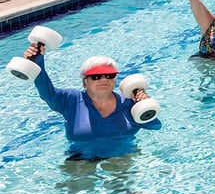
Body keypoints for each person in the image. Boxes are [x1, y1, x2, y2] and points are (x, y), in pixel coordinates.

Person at [23, 45, 161, 159]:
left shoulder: (129, 103)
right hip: (80, 157)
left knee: (124, 191)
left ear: (115, 80)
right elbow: (46, 91)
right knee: (77, 188)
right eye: (96, 76)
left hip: (122, 156)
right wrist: (37, 62)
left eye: (109, 75)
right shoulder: (71, 100)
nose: (104, 80)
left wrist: (145, 105)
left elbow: (155, 126)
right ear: (85, 82)